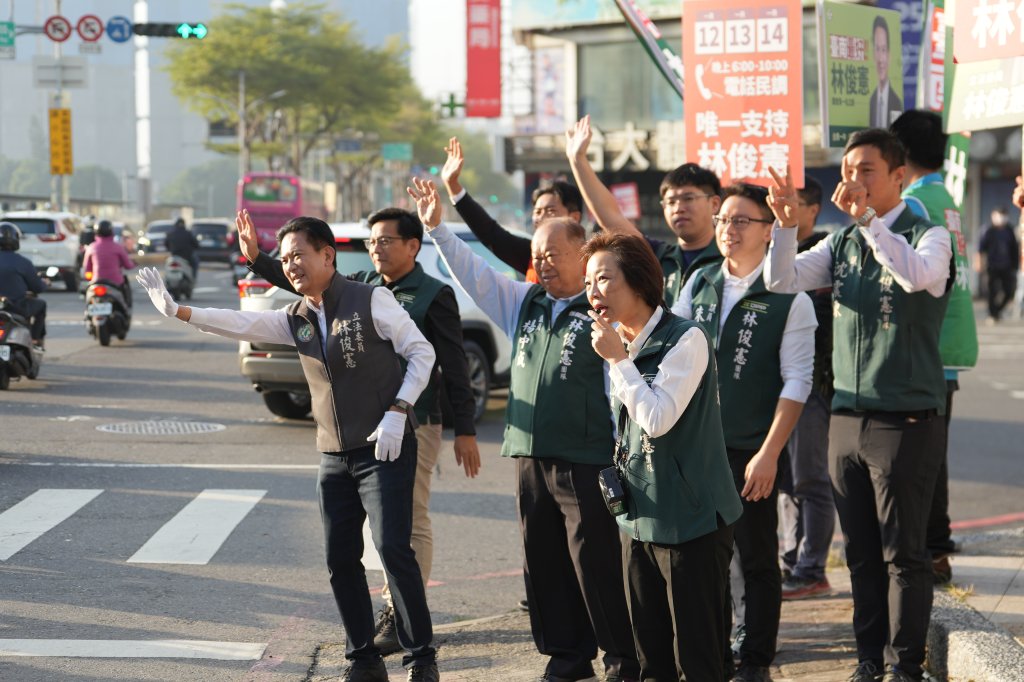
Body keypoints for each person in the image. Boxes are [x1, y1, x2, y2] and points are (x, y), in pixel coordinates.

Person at [135, 216, 440, 682]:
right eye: (285, 258)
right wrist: (179, 311)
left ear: (327, 255)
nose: (291, 265)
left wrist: (399, 410)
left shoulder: (371, 299)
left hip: (384, 446)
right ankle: (364, 660)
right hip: (334, 454)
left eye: (299, 254)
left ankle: (422, 659)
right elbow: (240, 322)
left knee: (393, 551)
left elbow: (422, 353)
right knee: (340, 560)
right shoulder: (295, 317)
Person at [408, 177, 640, 682]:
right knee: (544, 562)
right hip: (531, 456)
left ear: (583, 256)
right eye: (538, 255)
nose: (544, 262)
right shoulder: (525, 302)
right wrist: (439, 229)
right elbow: (476, 275)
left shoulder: (605, 313)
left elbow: (622, 391)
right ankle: (567, 657)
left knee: (596, 564)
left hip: (588, 460)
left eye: (554, 253)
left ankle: (623, 660)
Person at [236, 207, 482, 654]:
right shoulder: (364, 287)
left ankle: (400, 617)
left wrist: (463, 427)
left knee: (405, 525)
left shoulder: (433, 293)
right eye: (372, 241)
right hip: (356, 432)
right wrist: (257, 259)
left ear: (413, 245)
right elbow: (306, 284)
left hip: (414, 419)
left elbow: (451, 361)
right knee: (358, 544)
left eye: (386, 240)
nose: (376, 248)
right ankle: (378, 634)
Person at [765, 128, 954, 682]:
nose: (854, 180)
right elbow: (781, 280)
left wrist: (871, 223)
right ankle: (869, 658)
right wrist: (784, 227)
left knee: (903, 552)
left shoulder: (929, 234)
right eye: (848, 170)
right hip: (846, 416)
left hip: (906, 418)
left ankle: (905, 665)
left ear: (898, 176)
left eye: (866, 170)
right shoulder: (841, 242)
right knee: (861, 553)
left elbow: (918, 278)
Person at [582, 232, 742, 681]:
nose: (593, 292)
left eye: (603, 279)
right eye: (588, 282)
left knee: (697, 657)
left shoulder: (685, 338)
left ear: (638, 280)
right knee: (650, 655)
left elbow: (657, 419)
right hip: (639, 516)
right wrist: (619, 357)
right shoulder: (619, 342)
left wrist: (619, 362)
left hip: (692, 520)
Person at [673, 183, 816, 682]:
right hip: (697, 447)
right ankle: (717, 653)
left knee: (755, 557)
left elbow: (797, 380)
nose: (728, 230)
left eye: (741, 221)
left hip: (750, 451)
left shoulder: (790, 297)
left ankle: (756, 658)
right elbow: (672, 354)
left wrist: (770, 453)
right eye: (723, 220)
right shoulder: (700, 281)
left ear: (769, 229)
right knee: (705, 558)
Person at [890, 110, 978, 585]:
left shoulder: (915, 203)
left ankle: (933, 548)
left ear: (899, 154)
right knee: (932, 453)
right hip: (947, 344)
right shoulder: (945, 197)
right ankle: (937, 544)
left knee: (920, 458)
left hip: (927, 345)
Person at [565, 115, 724, 306]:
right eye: (670, 202)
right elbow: (611, 217)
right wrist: (578, 160)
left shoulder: (731, 258)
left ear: (714, 204)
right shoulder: (656, 256)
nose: (678, 208)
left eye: (688, 198)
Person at [774, 177, 836, 601]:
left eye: (791, 202)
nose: (782, 208)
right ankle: (791, 560)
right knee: (783, 480)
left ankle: (812, 567)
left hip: (814, 383)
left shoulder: (828, 253)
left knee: (810, 478)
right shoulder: (773, 254)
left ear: (813, 210)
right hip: (776, 384)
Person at [441, 136, 584, 283]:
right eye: (537, 212)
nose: (541, 218)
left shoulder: (592, 258)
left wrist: (579, 159)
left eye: (550, 211)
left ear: (574, 217)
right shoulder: (530, 255)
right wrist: (453, 186)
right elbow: (490, 233)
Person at [0, 222, 47, 347]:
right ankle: (35, 339)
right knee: (41, 305)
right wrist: (44, 283)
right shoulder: (23, 262)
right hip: (16, 307)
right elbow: (37, 287)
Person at [977, 206, 1019, 324]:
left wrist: (1015, 266)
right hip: (992, 266)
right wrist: (979, 262)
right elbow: (980, 249)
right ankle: (992, 314)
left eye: (1003, 215)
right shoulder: (988, 230)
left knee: (1009, 291)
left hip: (1007, 266)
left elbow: (1014, 249)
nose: (1001, 218)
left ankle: (997, 311)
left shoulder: (1009, 230)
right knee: (991, 291)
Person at [82, 220, 137, 306]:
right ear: (111, 231)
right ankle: (127, 307)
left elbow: (86, 268)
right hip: (116, 282)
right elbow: (128, 265)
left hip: (96, 281)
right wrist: (134, 263)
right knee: (125, 296)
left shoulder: (92, 247)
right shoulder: (117, 247)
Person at [868, 16, 903, 128]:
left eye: (883, 50)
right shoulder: (872, 101)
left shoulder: (897, 102)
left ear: (889, 55)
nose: (880, 59)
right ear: (873, 53)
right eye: (877, 49)